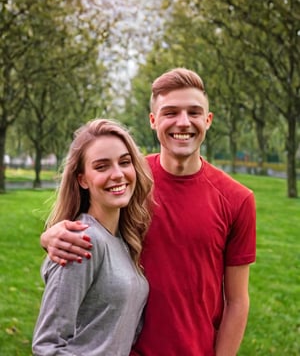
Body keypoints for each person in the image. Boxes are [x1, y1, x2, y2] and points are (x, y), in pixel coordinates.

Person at [40, 68, 256, 356]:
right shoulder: (128, 180)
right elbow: (87, 214)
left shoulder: (237, 199)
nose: (183, 122)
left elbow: (237, 301)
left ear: (208, 119)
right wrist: (51, 235)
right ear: (153, 120)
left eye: (194, 112)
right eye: (170, 112)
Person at [32, 118, 153, 356]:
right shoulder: (80, 241)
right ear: (82, 179)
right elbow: (47, 347)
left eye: (124, 162)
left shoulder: (124, 240)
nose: (117, 174)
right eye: (101, 167)